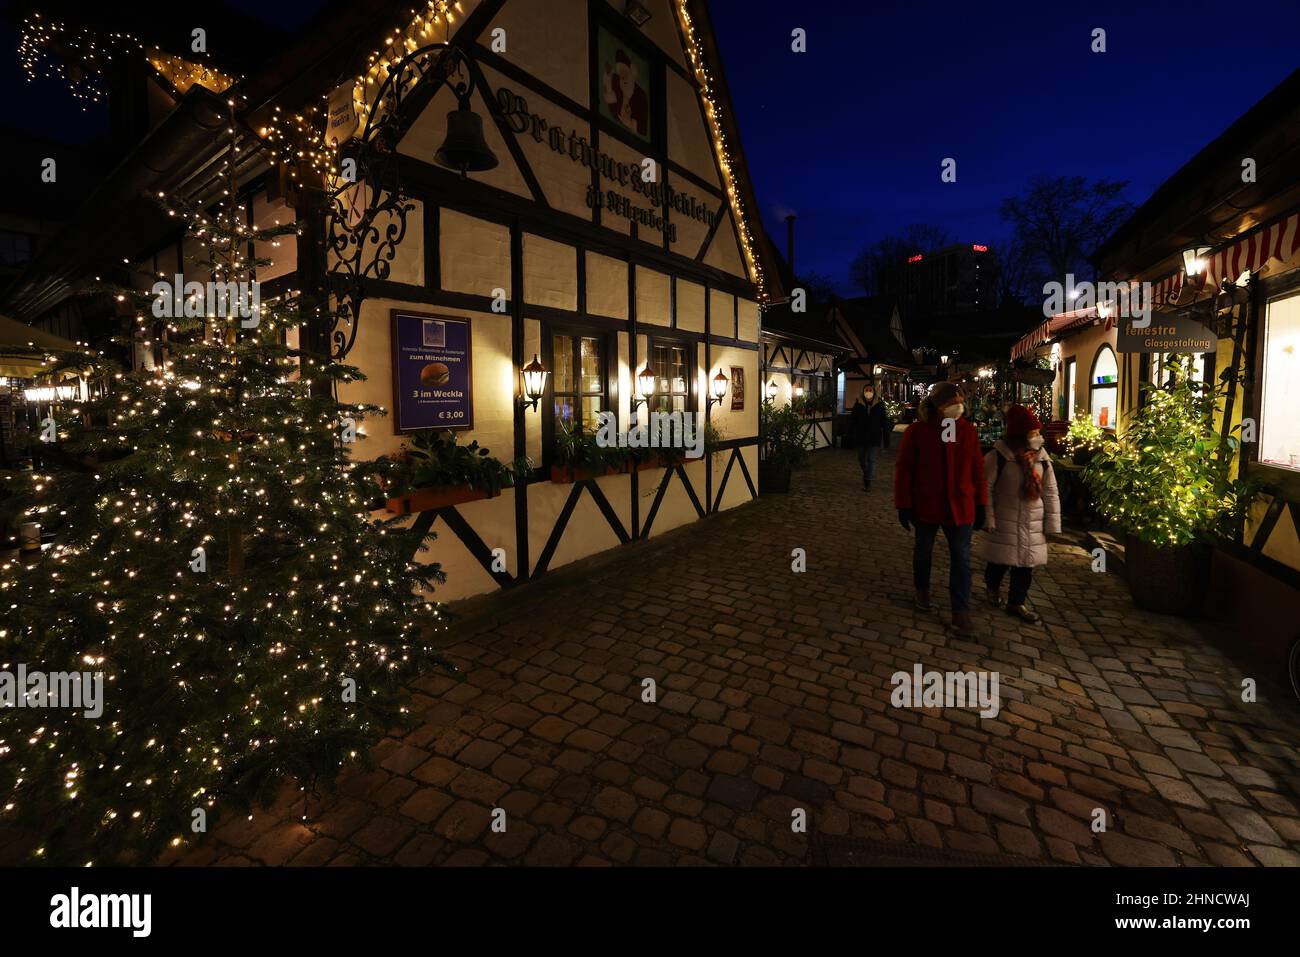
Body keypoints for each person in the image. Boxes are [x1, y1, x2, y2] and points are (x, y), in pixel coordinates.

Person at [894, 381, 987, 637]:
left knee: (961, 558)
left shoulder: (967, 431)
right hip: (927, 503)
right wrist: (903, 504)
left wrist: (982, 504)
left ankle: (960, 611)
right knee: (923, 551)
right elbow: (904, 470)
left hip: (960, 505)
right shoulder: (918, 432)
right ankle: (921, 590)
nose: (957, 408)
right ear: (936, 406)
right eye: (951, 404)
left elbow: (977, 470)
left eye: (960, 403)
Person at [979, 405, 1061, 623]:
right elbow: (985, 489)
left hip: (1033, 521)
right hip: (1004, 520)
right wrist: (988, 518)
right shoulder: (999, 457)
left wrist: (1052, 525)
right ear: (1021, 434)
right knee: (999, 562)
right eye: (1033, 433)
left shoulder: (1042, 459)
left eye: (1038, 432)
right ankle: (992, 588)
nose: (1038, 437)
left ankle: (1017, 602)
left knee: (1026, 566)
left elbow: (1051, 493)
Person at [848, 382, 890, 490]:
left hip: (874, 437)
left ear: (874, 392)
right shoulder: (858, 404)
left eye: (870, 390)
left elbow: (884, 423)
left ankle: (868, 481)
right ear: (863, 392)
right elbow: (853, 420)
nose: (868, 392)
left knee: (871, 459)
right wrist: (849, 434)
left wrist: (886, 441)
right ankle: (867, 474)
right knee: (861, 459)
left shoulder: (879, 405)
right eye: (866, 390)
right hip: (861, 436)